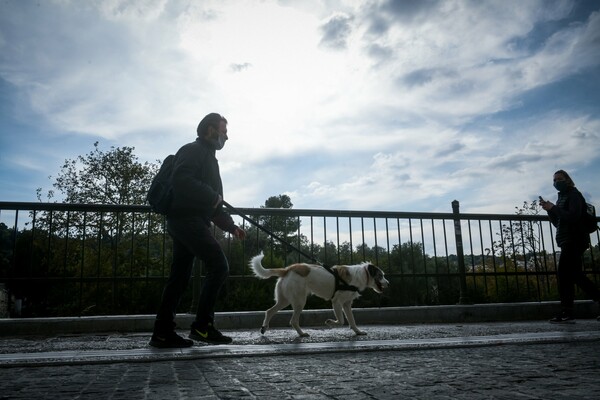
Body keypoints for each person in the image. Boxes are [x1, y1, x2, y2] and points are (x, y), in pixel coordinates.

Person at [150, 113, 246, 348]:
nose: (227, 136)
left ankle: (162, 333)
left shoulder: (209, 159)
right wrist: (212, 196)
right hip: (186, 220)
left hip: (188, 220)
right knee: (219, 265)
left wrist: (231, 226)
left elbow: (213, 205)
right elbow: (182, 179)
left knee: (179, 277)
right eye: (224, 131)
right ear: (210, 130)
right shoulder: (193, 150)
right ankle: (202, 326)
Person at [540, 170, 600, 324]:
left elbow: (573, 216)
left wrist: (554, 208)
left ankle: (567, 311)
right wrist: (549, 210)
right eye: (554, 180)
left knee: (565, 274)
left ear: (567, 180)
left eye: (559, 179)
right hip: (567, 239)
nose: (556, 182)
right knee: (573, 274)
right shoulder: (562, 197)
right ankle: (568, 311)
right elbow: (558, 222)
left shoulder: (574, 195)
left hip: (575, 239)